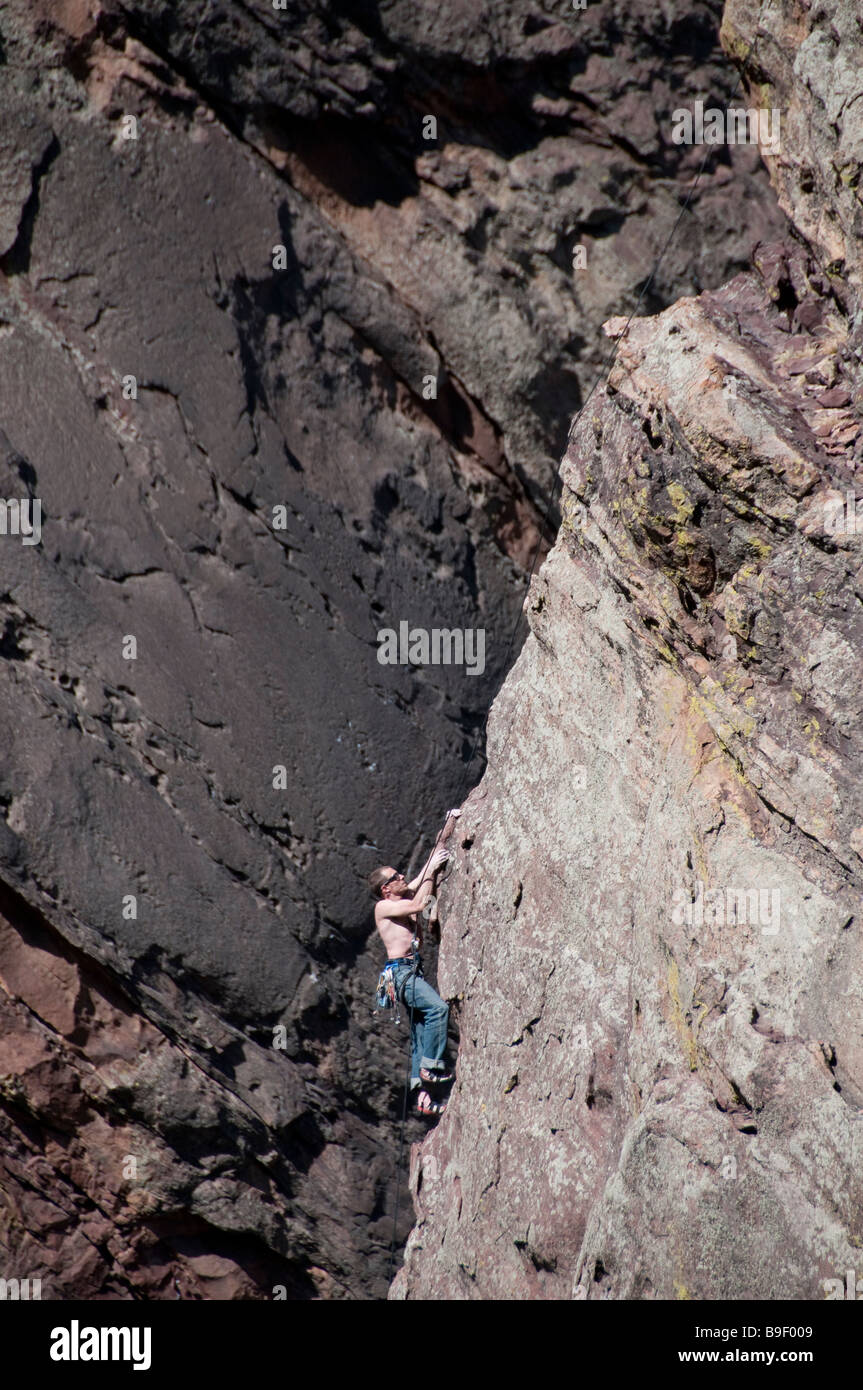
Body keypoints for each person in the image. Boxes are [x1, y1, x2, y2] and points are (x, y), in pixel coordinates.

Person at [369, 810, 461, 1117]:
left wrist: (450, 823)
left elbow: (428, 865)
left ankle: (421, 1094)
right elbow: (422, 903)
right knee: (437, 1010)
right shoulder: (384, 907)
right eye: (395, 877)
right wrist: (431, 873)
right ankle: (431, 1069)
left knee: (422, 1030)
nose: (401, 877)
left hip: (407, 973)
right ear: (385, 888)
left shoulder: (399, 897)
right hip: (401, 974)